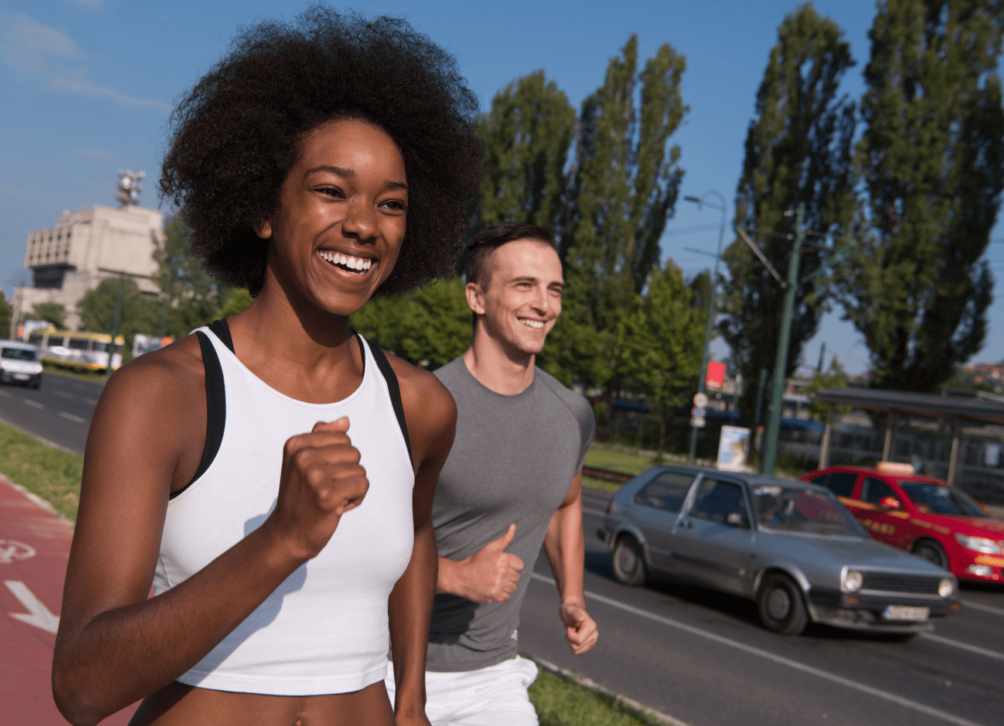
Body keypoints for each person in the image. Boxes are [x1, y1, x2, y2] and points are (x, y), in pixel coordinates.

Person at [52, 8, 480, 726]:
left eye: (393, 204)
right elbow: (82, 686)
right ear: (261, 206)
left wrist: (412, 699)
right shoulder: (162, 398)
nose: (365, 225)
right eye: (331, 190)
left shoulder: (422, 406)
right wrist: (281, 538)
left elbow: (416, 535)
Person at [386, 222, 599, 725]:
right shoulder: (422, 406)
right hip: (387, 663)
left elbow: (565, 505)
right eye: (524, 285)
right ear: (476, 297)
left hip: (491, 675)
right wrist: (458, 576)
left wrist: (572, 599)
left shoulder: (572, 415)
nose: (544, 304)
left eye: (554, 290)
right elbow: (356, 542)